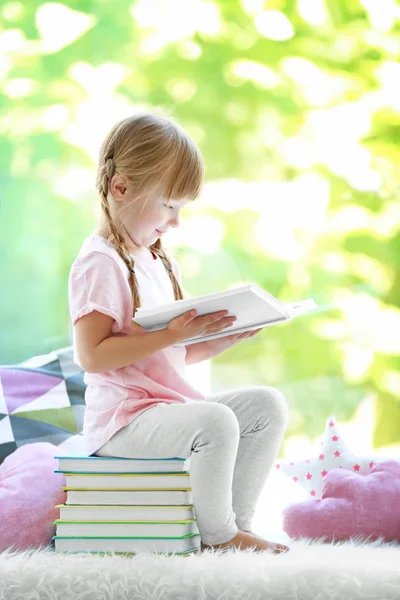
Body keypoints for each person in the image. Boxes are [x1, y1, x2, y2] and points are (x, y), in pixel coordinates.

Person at [68, 113, 290, 555]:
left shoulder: (154, 258)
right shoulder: (100, 263)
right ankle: (219, 536)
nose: (175, 222)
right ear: (120, 188)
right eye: (169, 205)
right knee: (216, 421)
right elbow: (92, 356)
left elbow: (163, 359)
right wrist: (170, 335)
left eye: (181, 208)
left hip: (162, 410)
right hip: (122, 424)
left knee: (267, 405)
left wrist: (216, 338)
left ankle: (236, 525)